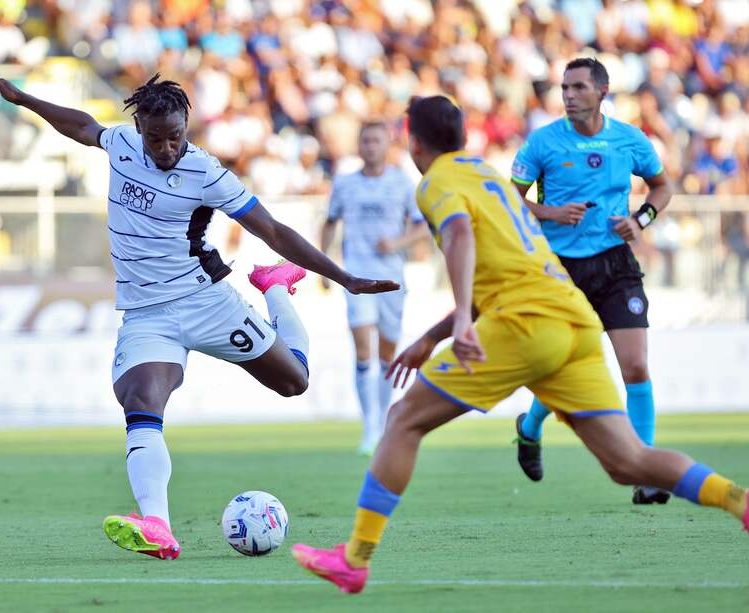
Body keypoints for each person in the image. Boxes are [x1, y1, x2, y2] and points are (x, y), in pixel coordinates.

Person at [292, 95, 748, 594]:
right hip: (571, 319)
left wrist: (463, 317)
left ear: (411, 139)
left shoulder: (436, 182)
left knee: (403, 420)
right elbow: (504, 268)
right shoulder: (486, 175)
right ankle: (738, 501)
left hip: (523, 323)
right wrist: (431, 336)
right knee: (628, 462)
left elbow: (461, 235)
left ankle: (354, 559)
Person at [0, 74, 399, 561]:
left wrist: (344, 277)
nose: (165, 148)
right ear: (137, 126)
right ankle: (157, 525)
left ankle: (276, 288)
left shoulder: (207, 173)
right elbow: (81, 125)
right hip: (146, 314)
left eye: (175, 136)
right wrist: (24, 98)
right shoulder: (121, 143)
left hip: (207, 303)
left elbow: (273, 230)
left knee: (295, 382)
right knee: (141, 398)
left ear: (188, 125)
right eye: (155, 138)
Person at [509, 58, 674, 505]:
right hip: (561, 270)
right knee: (562, 367)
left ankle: (646, 472)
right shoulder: (543, 142)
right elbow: (510, 198)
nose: (569, 95)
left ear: (601, 91)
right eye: (565, 87)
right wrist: (550, 213)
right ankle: (530, 426)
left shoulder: (629, 139)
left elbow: (662, 186)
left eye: (578, 87)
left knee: (635, 365)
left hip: (616, 266)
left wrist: (642, 220)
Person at [320, 121, 425, 455]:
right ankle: (370, 428)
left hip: (393, 279)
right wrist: (325, 266)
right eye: (364, 140)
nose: (370, 146)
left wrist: (397, 242)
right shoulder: (345, 183)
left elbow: (423, 227)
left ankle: (381, 422)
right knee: (364, 350)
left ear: (387, 144)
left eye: (376, 140)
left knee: (387, 355)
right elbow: (329, 222)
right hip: (357, 277)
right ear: (359, 144)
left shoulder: (402, 183)